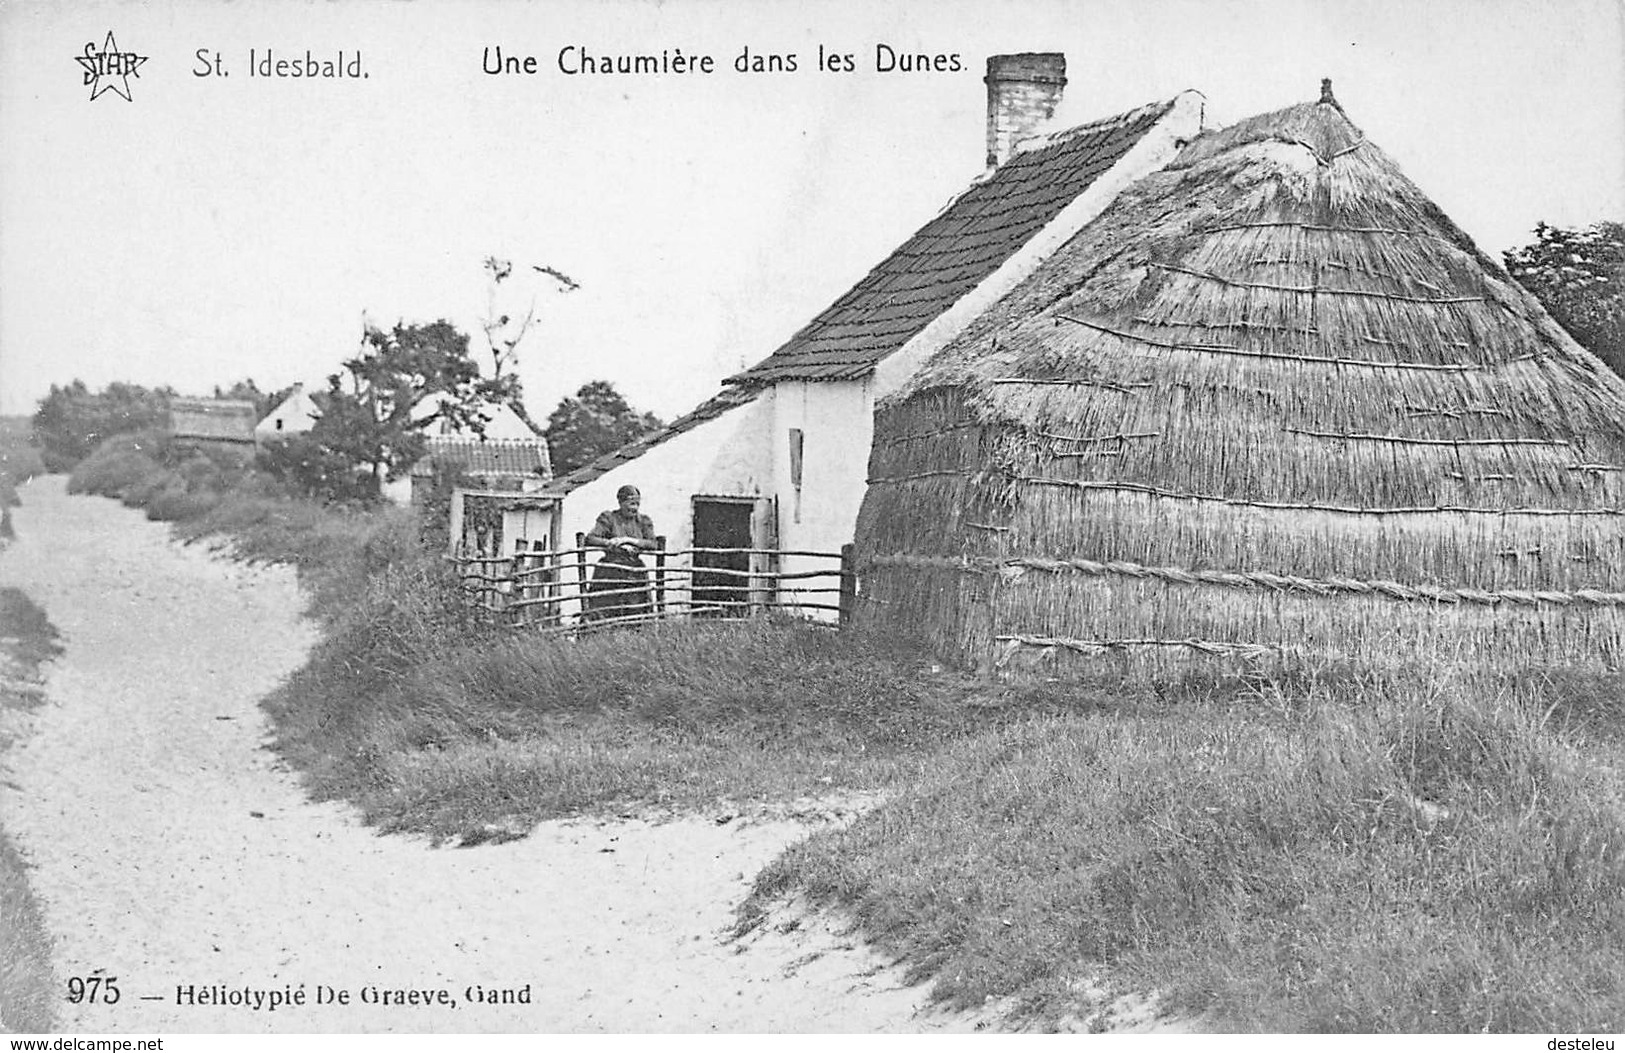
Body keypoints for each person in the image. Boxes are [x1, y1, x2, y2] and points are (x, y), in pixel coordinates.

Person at [583, 485, 659, 623]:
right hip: (610, 569)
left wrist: (629, 541)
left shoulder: (643, 521)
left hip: (634, 570)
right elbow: (590, 538)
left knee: (636, 609)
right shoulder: (609, 518)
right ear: (621, 502)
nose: (634, 508)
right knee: (606, 607)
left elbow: (653, 543)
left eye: (637, 504)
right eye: (631, 503)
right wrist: (611, 543)